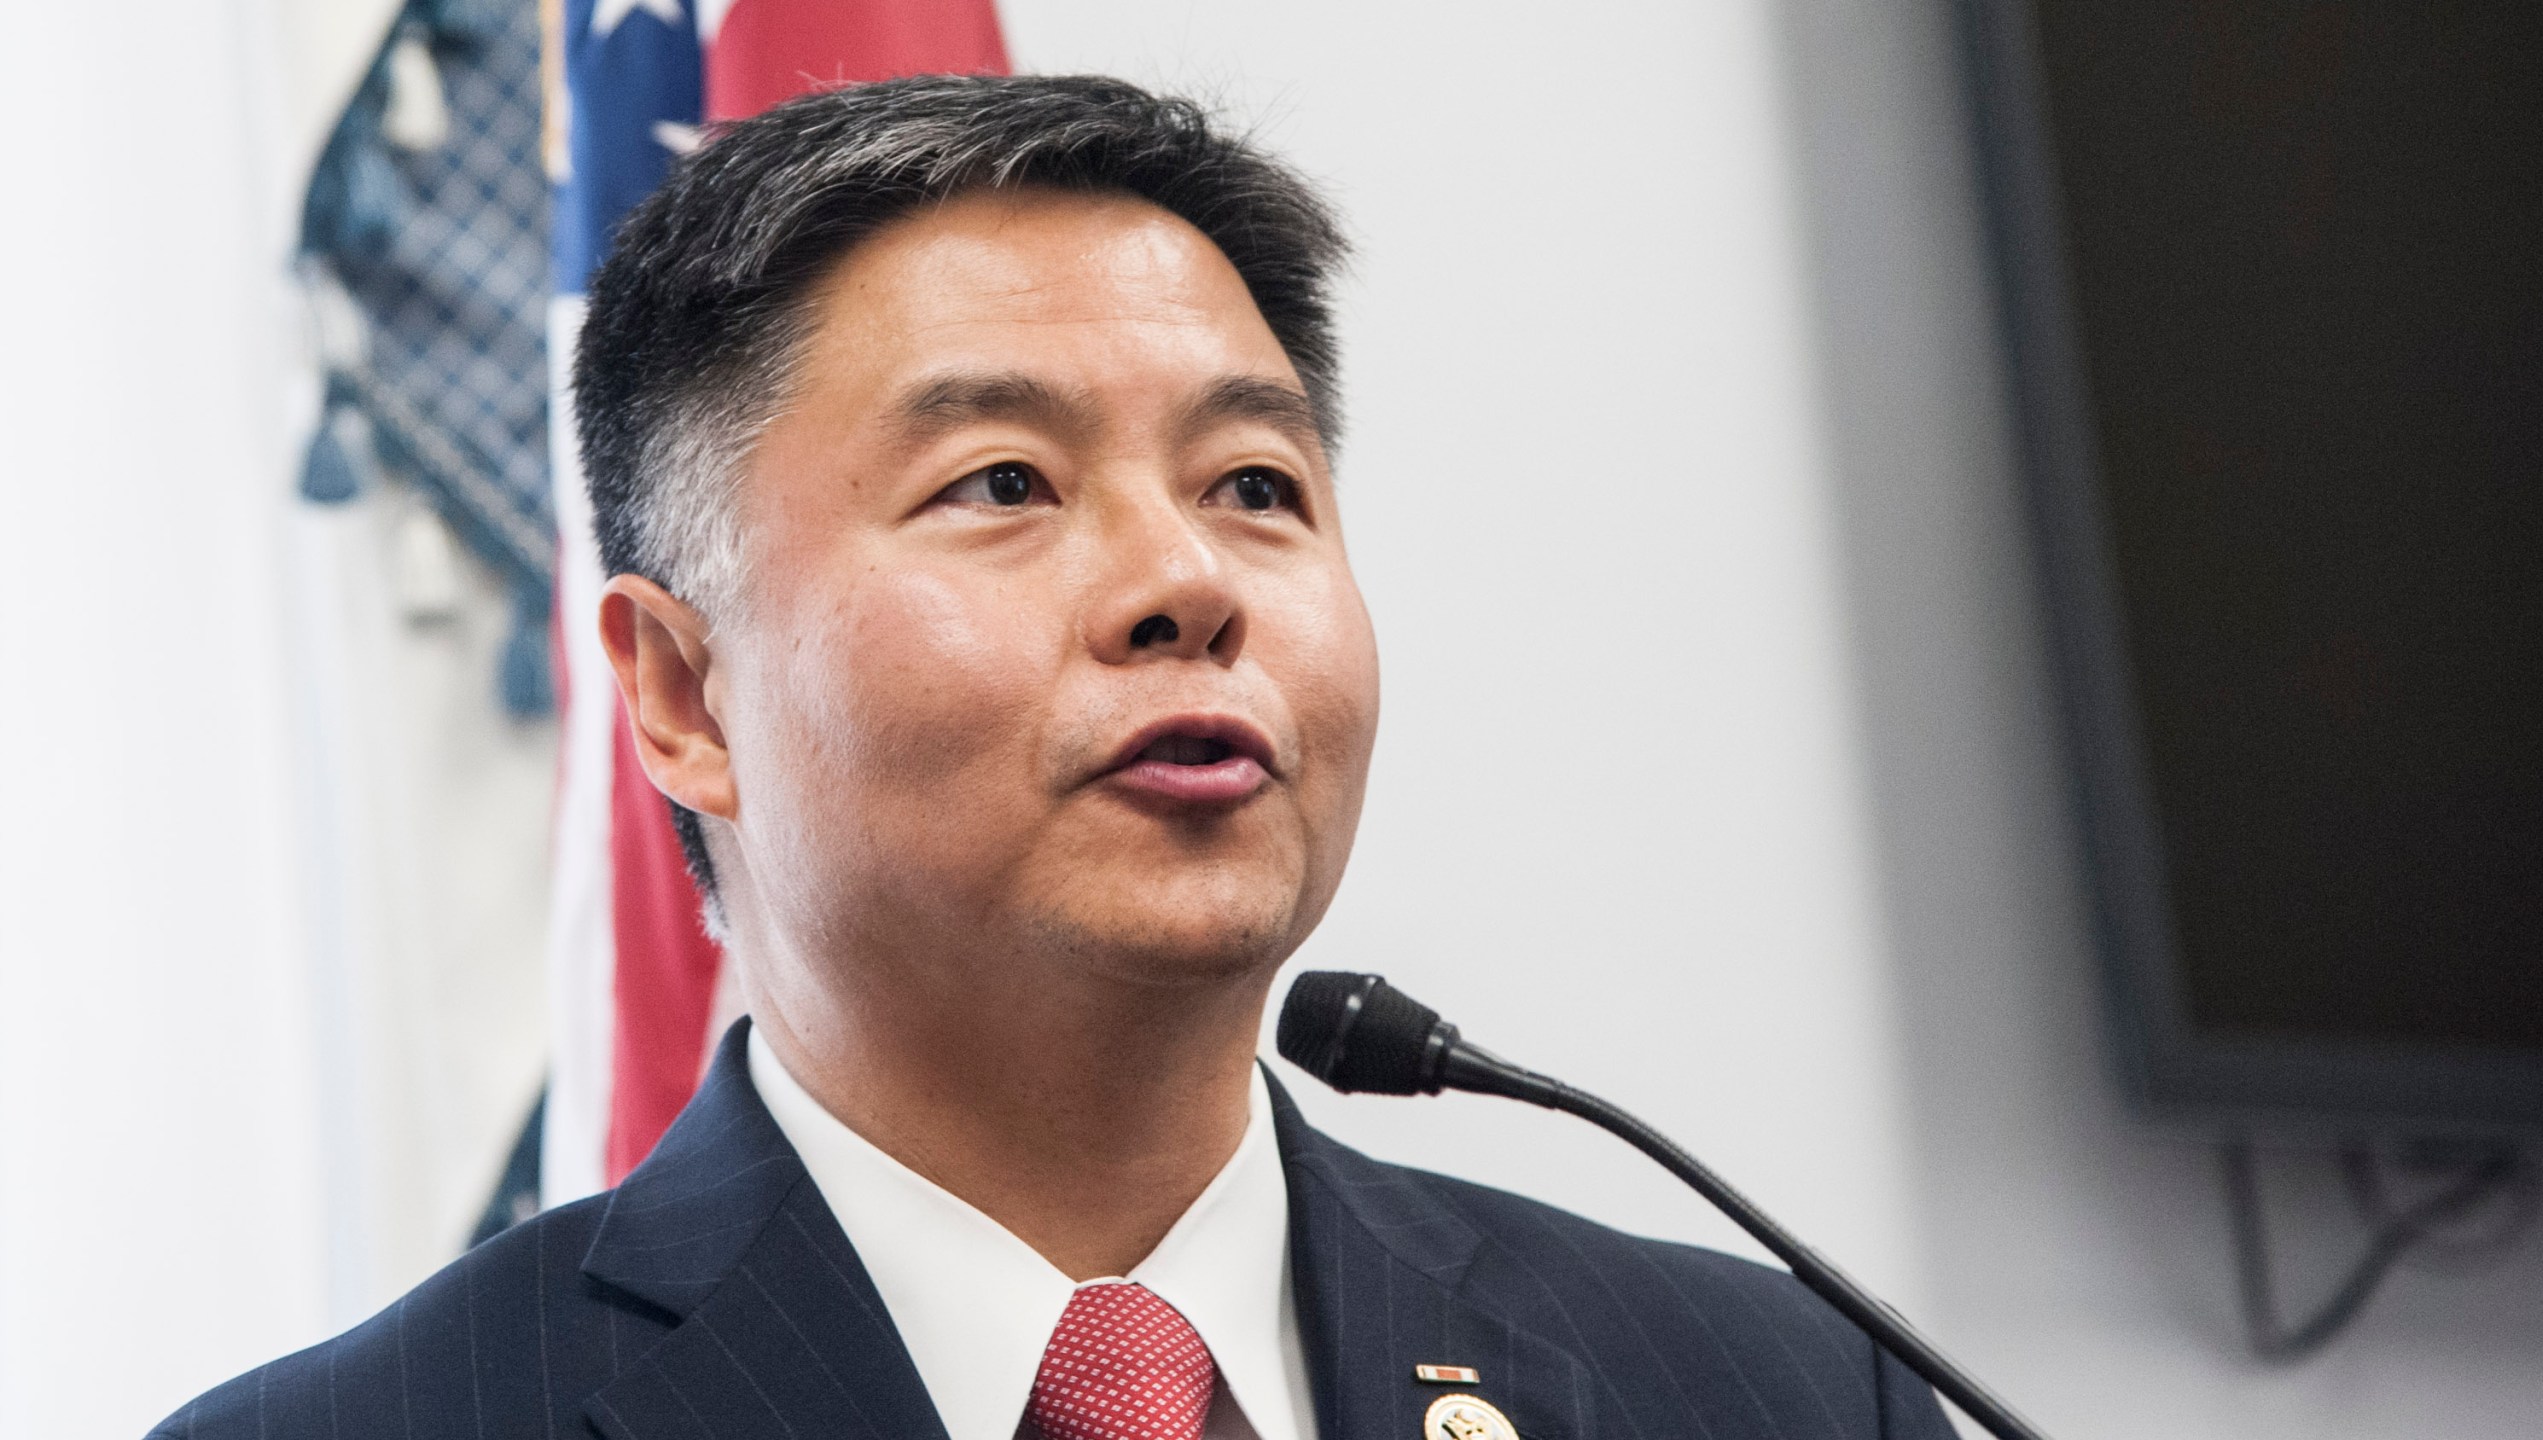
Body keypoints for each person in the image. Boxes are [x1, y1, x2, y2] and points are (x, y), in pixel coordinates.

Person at [154, 75, 1957, 1440]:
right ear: (685, 697)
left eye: (1256, 488)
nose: (1186, 582)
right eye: (1002, 484)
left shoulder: (1781, 1392)